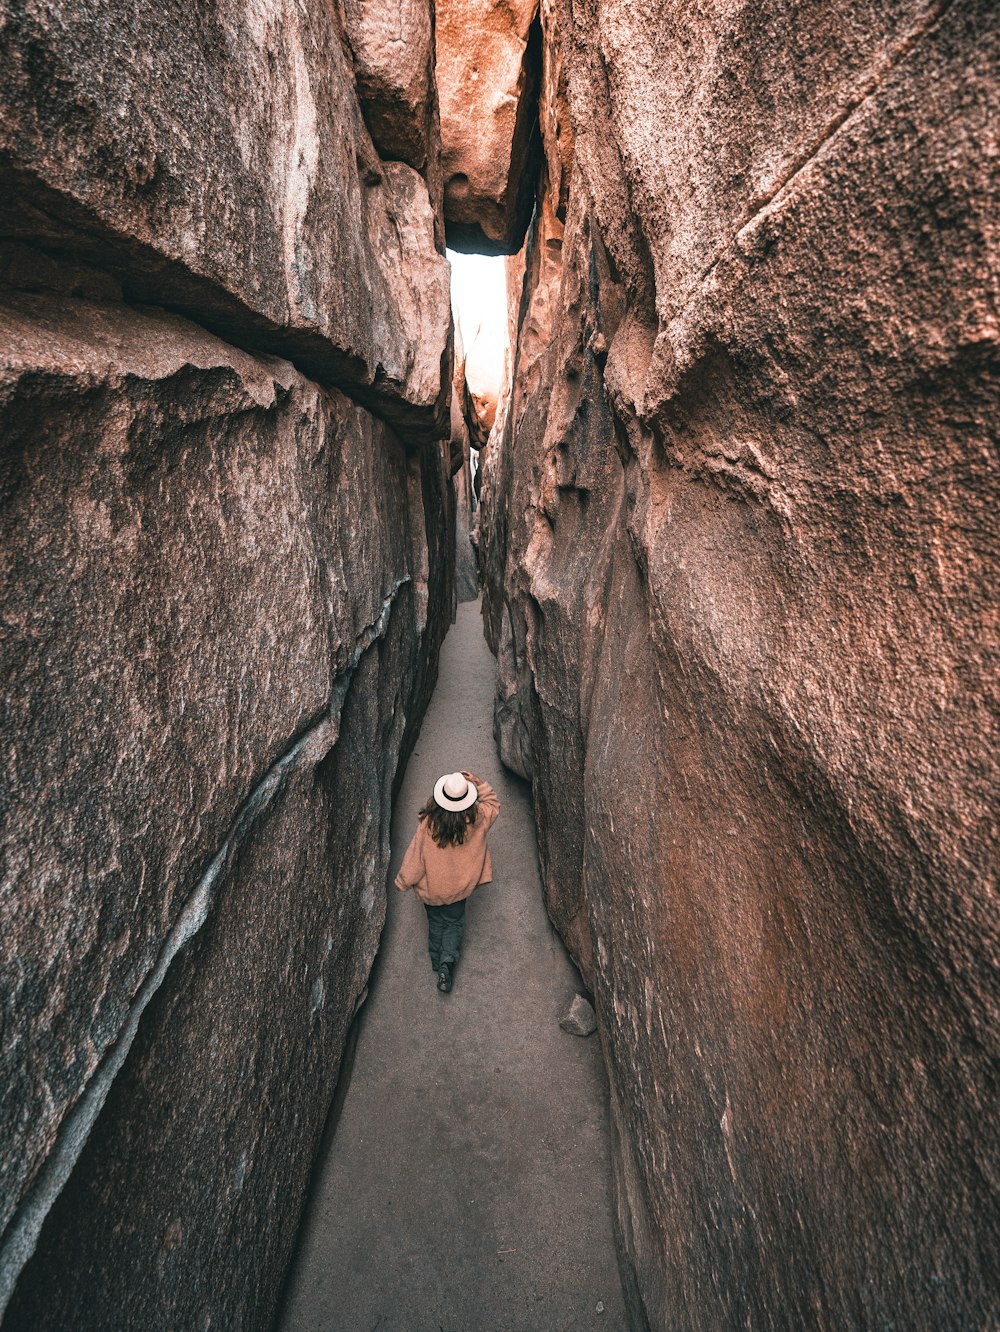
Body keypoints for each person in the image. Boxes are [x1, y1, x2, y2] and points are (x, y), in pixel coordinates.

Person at [394, 769, 500, 993]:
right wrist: (477, 781)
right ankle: (446, 963)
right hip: (459, 890)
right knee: (454, 924)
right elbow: (493, 803)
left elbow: (415, 859)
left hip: (432, 892)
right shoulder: (478, 818)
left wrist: (404, 881)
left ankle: (435, 959)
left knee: (436, 924)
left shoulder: (429, 825)